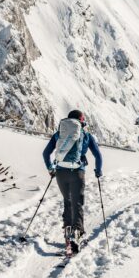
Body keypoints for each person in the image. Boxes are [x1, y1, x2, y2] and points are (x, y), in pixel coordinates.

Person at [42, 109, 103, 255]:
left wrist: (51, 169)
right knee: (77, 203)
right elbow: (98, 156)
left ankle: (67, 235)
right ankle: (77, 234)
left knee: (67, 201)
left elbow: (45, 153)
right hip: (77, 173)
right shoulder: (86, 136)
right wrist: (98, 171)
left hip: (61, 173)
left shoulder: (59, 135)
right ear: (81, 121)